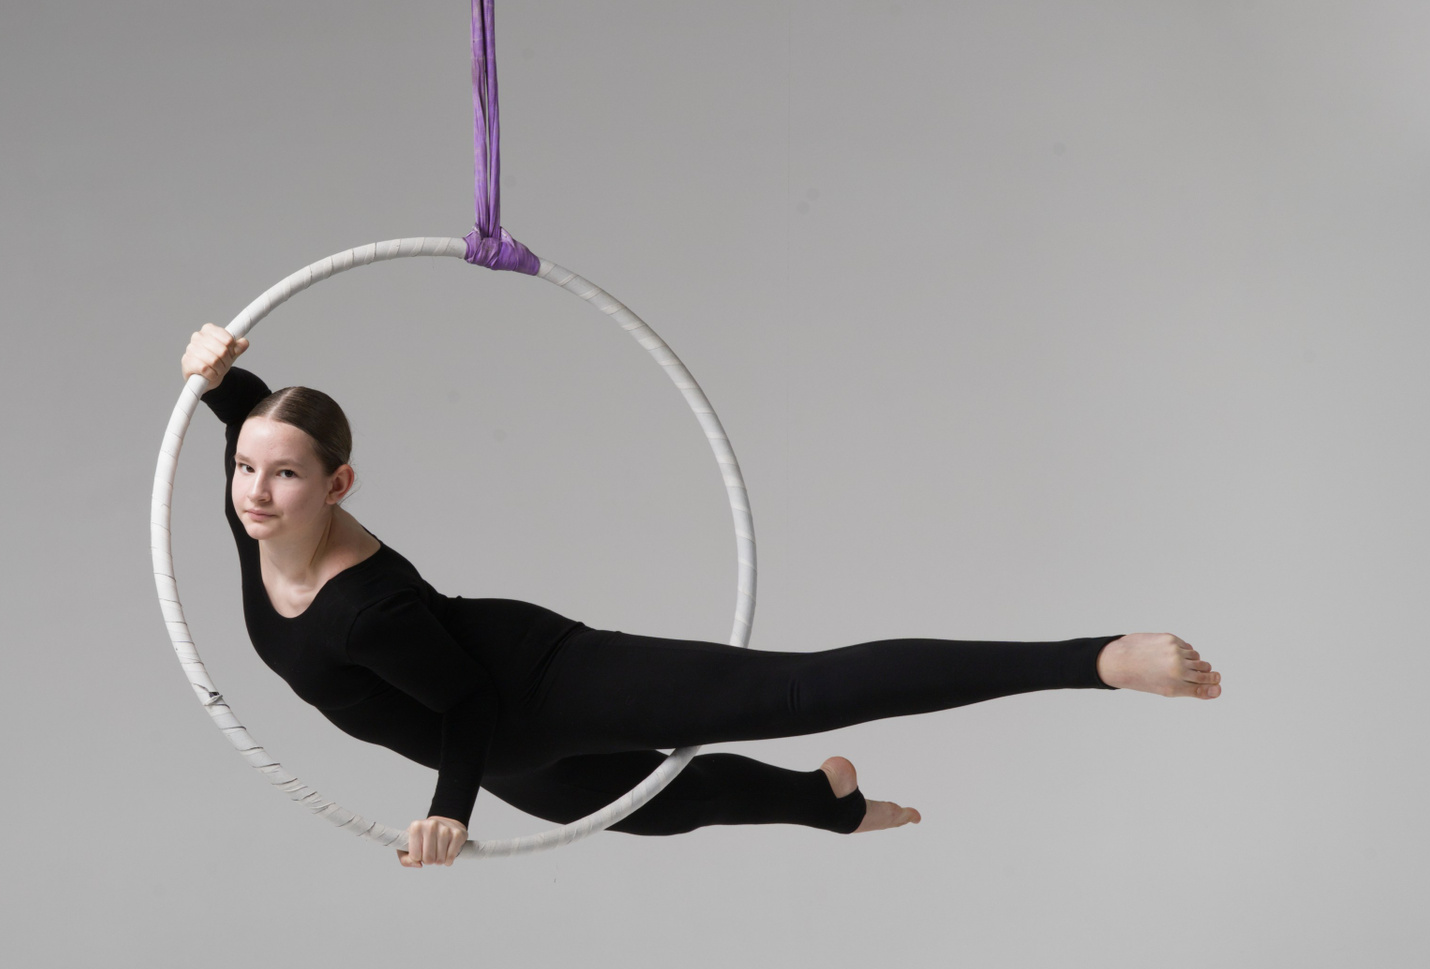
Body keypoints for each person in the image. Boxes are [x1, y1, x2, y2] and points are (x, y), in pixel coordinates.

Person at [180, 325, 1223, 868]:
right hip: (509, 757)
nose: (256, 492)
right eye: (246, 469)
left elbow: (465, 702)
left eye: (285, 475)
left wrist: (450, 811)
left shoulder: (368, 606)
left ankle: (1098, 658)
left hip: (540, 687)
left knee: (798, 692)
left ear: (339, 486)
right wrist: (217, 372)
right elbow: (248, 414)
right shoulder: (254, 514)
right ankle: (824, 804)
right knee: (663, 810)